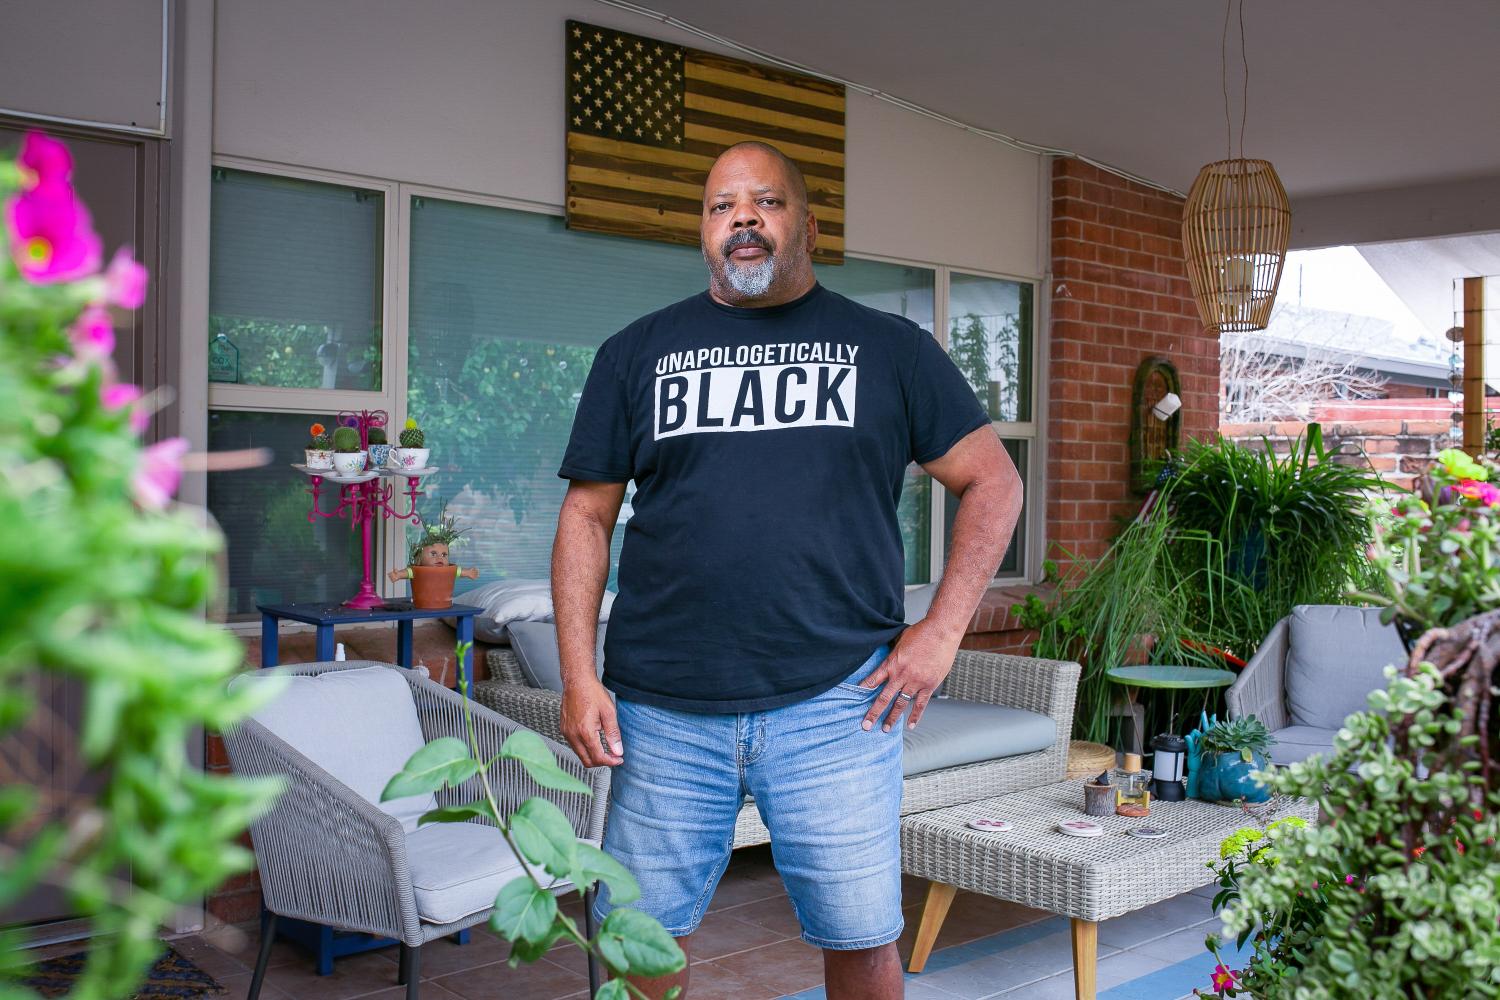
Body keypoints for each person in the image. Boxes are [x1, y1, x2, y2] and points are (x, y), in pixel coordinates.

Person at [552, 140, 1022, 999]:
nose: (742, 219)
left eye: (765, 202)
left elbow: (994, 482)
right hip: (661, 707)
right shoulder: (635, 352)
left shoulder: (890, 349)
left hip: (838, 702)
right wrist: (580, 676)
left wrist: (941, 633)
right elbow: (586, 516)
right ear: (704, 231)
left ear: (808, 226)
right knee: (636, 942)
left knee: (862, 938)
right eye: (721, 206)